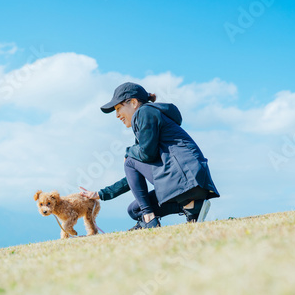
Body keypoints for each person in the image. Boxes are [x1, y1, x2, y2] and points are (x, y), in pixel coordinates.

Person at [80, 82, 219, 230]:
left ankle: (149, 219)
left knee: (130, 161)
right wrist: (101, 194)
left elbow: (145, 154)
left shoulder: (144, 112)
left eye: (118, 108)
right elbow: (135, 175)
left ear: (133, 102)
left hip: (185, 178)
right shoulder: (149, 116)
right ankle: (192, 208)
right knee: (135, 209)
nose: (117, 115)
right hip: (190, 181)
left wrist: (129, 152)